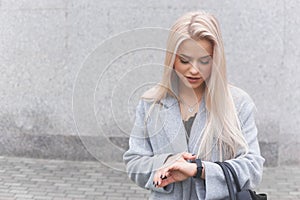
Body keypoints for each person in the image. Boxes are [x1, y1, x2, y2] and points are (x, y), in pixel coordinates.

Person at [123, 11, 265, 200]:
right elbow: (134, 162)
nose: (194, 70)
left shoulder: (237, 104)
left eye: (204, 61)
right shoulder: (151, 103)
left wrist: (199, 169)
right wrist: (168, 162)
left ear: (216, 59)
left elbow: (253, 167)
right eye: (184, 60)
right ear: (172, 58)